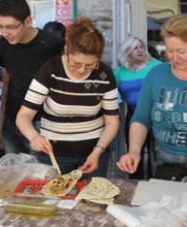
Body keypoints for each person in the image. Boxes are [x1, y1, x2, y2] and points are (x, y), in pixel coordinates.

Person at [16, 17, 120, 177]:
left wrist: (98, 151)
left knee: (93, 198)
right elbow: (23, 116)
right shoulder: (51, 69)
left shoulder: (104, 73)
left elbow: (112, 121)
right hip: (54, 154)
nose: (81, 70)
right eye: (76, 63)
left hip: (94, 153)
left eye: (90, 65)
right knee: (55, 198)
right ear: (66, 51)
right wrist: (34, 137)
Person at [0, 0, 65, 160]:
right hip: (11, 121)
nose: (5, 33)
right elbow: (6, 84)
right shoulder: (3, 44)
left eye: (11, 27)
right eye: (0, 26)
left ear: (27, 21)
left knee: (41, 178)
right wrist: (0, 122)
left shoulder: (53, 44)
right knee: (14, 176)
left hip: (41, 123)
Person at [117, 14, 187, 175]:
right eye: (170, 51)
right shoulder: (157, 74)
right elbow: (141, 118)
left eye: (181, 51)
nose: (175, 58)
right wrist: (134, 150)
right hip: (166, 162)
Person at [114, 37, 161, 179]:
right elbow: (112, 95)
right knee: (134, 154)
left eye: (141, 47)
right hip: (133, 117)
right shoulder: (120, 72)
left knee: (154, 157)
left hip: (155, 118)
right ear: (127, 52)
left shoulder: (156, 67)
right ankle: (136, 186)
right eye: (135, 48)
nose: (140, 50)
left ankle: (155, 185)